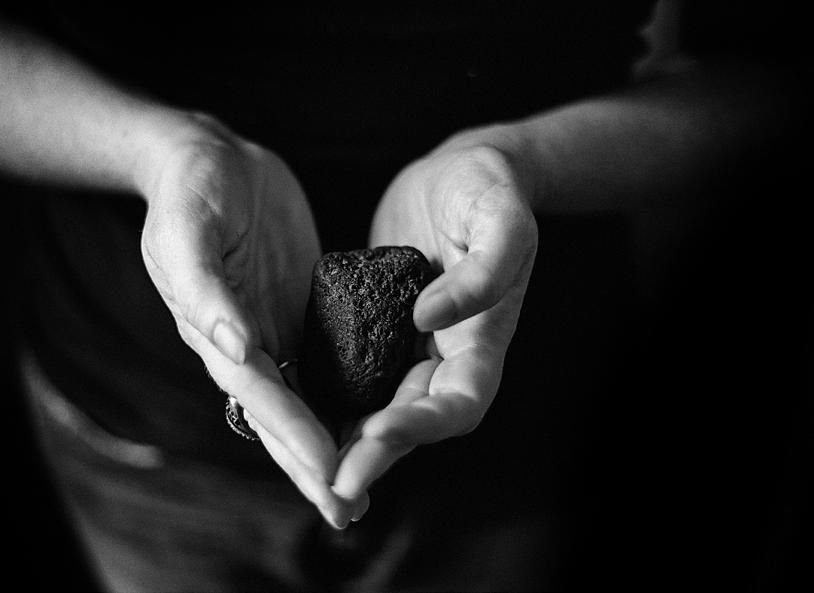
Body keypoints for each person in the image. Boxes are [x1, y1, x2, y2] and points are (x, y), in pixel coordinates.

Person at [1, 2, 808, 591]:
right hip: (139, 422)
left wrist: (521, 164)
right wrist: (156, 151)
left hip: (525, 422)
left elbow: (778, 78)